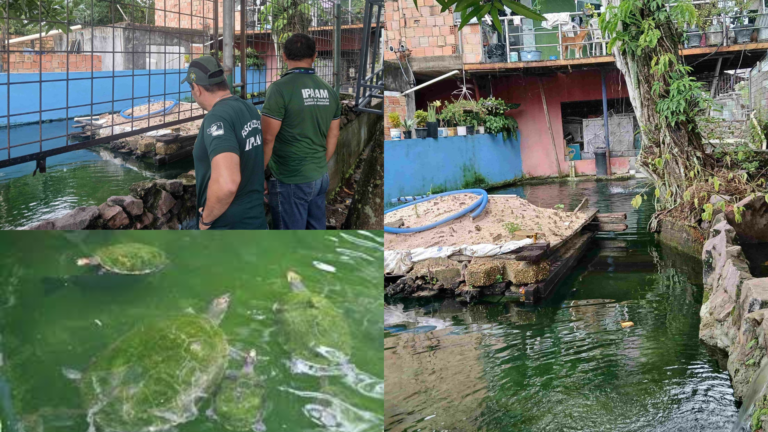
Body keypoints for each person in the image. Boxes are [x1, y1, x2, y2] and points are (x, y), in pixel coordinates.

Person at [261, 33, 341, 230]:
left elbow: (267, 139)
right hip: (319, 176)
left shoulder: (279, 89)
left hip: (290, 179)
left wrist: (257, 175)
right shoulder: (329, 90)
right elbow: (334, 134)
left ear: (284, 56)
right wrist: (319, 164)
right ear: (314, 56)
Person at [182, 55, 267, 230]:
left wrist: (206, 219)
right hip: (256, 221)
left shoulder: (217, 118)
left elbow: (227, 184)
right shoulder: (248, 108)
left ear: (196, 88)